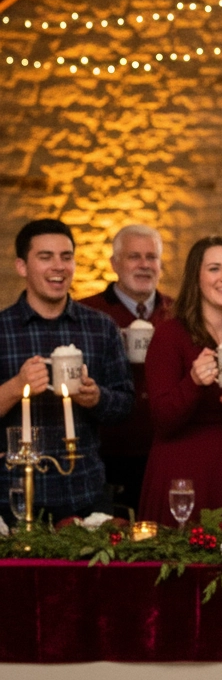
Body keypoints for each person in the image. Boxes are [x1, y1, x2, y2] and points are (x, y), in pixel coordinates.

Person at [0, 219, 133, 524]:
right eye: (45, 257)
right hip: (13, 499)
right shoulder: (2, 329)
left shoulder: (101, 327)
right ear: (22, 266)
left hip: (85, 495)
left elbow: (125, 405)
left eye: (66, 256)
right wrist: (16, 386)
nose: (58, 267)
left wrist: (96, 397)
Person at [138, 235, 222, 526]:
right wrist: (193, 381)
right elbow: (161, 419)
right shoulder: (170, 335)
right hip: (182, 468)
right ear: (196, 278)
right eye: (214, 268)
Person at [80, 224, 173, 514]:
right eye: (134, 256)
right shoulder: (88, 315)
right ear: (114, 264)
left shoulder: (179, 313)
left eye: (152, 257)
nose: (145, 265)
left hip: (164, 451)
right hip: (106, 454)